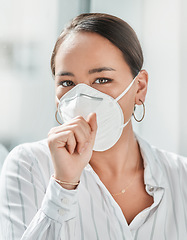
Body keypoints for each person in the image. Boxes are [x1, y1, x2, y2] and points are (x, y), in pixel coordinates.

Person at [0, 13, 187, 240]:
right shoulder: (29, 167)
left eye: (101, 79)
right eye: (67, 83)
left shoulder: (181, 176)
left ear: (139, 87)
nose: (82, 97)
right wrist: (63, 185)